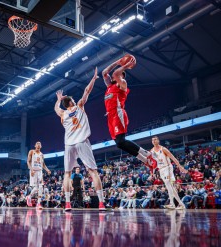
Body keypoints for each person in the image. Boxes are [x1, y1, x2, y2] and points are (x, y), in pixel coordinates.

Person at [54, 67, 106, 211]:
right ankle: (101, 203)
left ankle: (67, 204)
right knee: (93, 172)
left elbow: (56, 109)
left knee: (67, 174)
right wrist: (93, 79)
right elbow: (87, 91)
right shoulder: (79, 107)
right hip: (82, 142)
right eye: (73, 100)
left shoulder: (63, 114)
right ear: (71, 102)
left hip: (69, 145)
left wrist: (58, 100)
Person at [102, 55, 157, 172]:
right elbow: (105, 72)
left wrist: (125, 66)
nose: (114, 76)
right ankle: (145, 160)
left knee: (121, 141)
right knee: (119, 144)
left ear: (122, 76)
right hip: (110, 116)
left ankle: (147, 154)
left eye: (119, 74)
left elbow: (116, 74)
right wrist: (117, 61)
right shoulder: (110, 86)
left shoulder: (122, 84)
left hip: (118, 113)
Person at [150, 136, 187, 210]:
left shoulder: (163, 149)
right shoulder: (151, 151)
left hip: (168, 168)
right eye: (152, 140)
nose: (154, 141)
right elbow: (153, 163)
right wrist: (152, 172)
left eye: (155, 139)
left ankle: (172, 204)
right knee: (170, 187)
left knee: (168, 184)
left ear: (158, 141)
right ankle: (181, 204)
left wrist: (180, 167)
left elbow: (173, 158)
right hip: (161, 170)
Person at [26, 141, 51, 210]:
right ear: (35, 145)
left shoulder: (42, 154)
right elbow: (28, 161)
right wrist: (31, 169)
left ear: (41, 146)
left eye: (40, 144)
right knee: (36, 187)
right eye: (37, 143)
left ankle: (38, 203)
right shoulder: (31, 151)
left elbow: (43, 164)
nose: (38, 144)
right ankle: (29, 196)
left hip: (40, 171)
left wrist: (47, 170)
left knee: (40, 187)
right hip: (33, 171)